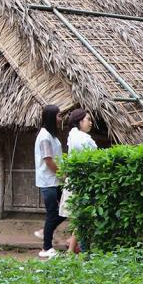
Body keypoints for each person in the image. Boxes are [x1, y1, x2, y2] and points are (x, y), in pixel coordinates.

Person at [60, 109, 98, 254]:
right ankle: (81, 250)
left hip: (75, 181)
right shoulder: (82, 138)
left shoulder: (73, 136)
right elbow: (93, 158)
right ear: (80, 121)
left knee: (79, 218)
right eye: (88, 119)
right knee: (82, 218)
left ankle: (71, 249)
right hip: (81, 183)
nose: (90, 122)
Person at [34, 104, 64, 259]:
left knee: (66, 209)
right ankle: (46, 248)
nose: (60, 119)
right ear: (52, 117)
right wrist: (62, 174)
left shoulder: (51, 135)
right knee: (53, 213)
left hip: (55, 180)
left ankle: (44, 231)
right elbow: (48, 160)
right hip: (49, 181)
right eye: (58, 116)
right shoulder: (45, 136)